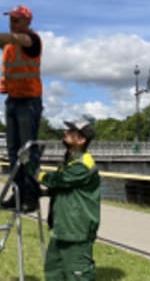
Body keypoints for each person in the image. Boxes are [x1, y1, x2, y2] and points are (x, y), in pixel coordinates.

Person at [0, 5, 43, 213]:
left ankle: (31, 196)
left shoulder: (31, 40)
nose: (12, 23)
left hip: (29, 102)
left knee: (27, 151)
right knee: (13, 151)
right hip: (13, 101)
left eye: (17, 19)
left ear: (27, 22)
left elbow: (9, 38)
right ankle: (17, 193)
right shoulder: (8, 42)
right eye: (11, 19)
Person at [38, 117, 100, 281]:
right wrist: (44, 193)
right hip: (62, 228)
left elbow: (60, 180)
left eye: (71, 131)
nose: (66, 132)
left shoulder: (83, 164)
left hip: (76, 231)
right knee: (54, 272)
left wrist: (35, 172)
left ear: (81, 140)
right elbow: (63, 187)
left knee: (78, 274)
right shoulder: (69, 161)